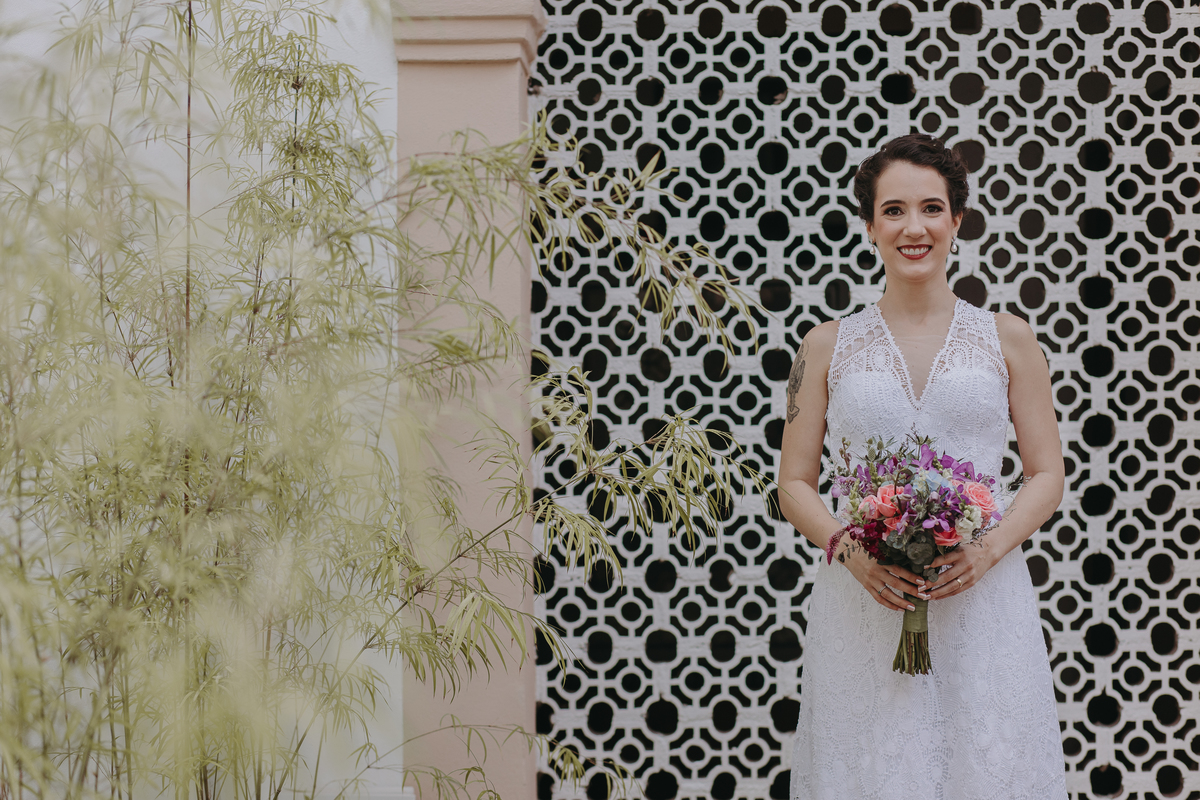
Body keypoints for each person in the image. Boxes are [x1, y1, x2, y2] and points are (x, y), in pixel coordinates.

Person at [778, 134, 1069, 799]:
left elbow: (1047, 473)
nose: (915, 227)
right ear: (870, 225)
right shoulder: (823, 346)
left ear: (958, 221)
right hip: (866, 598)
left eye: (932, 208)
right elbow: (792, 482)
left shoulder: (1009, 337)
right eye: (895, 210)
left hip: (982, 597)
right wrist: (849, 550)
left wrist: (987, 550)